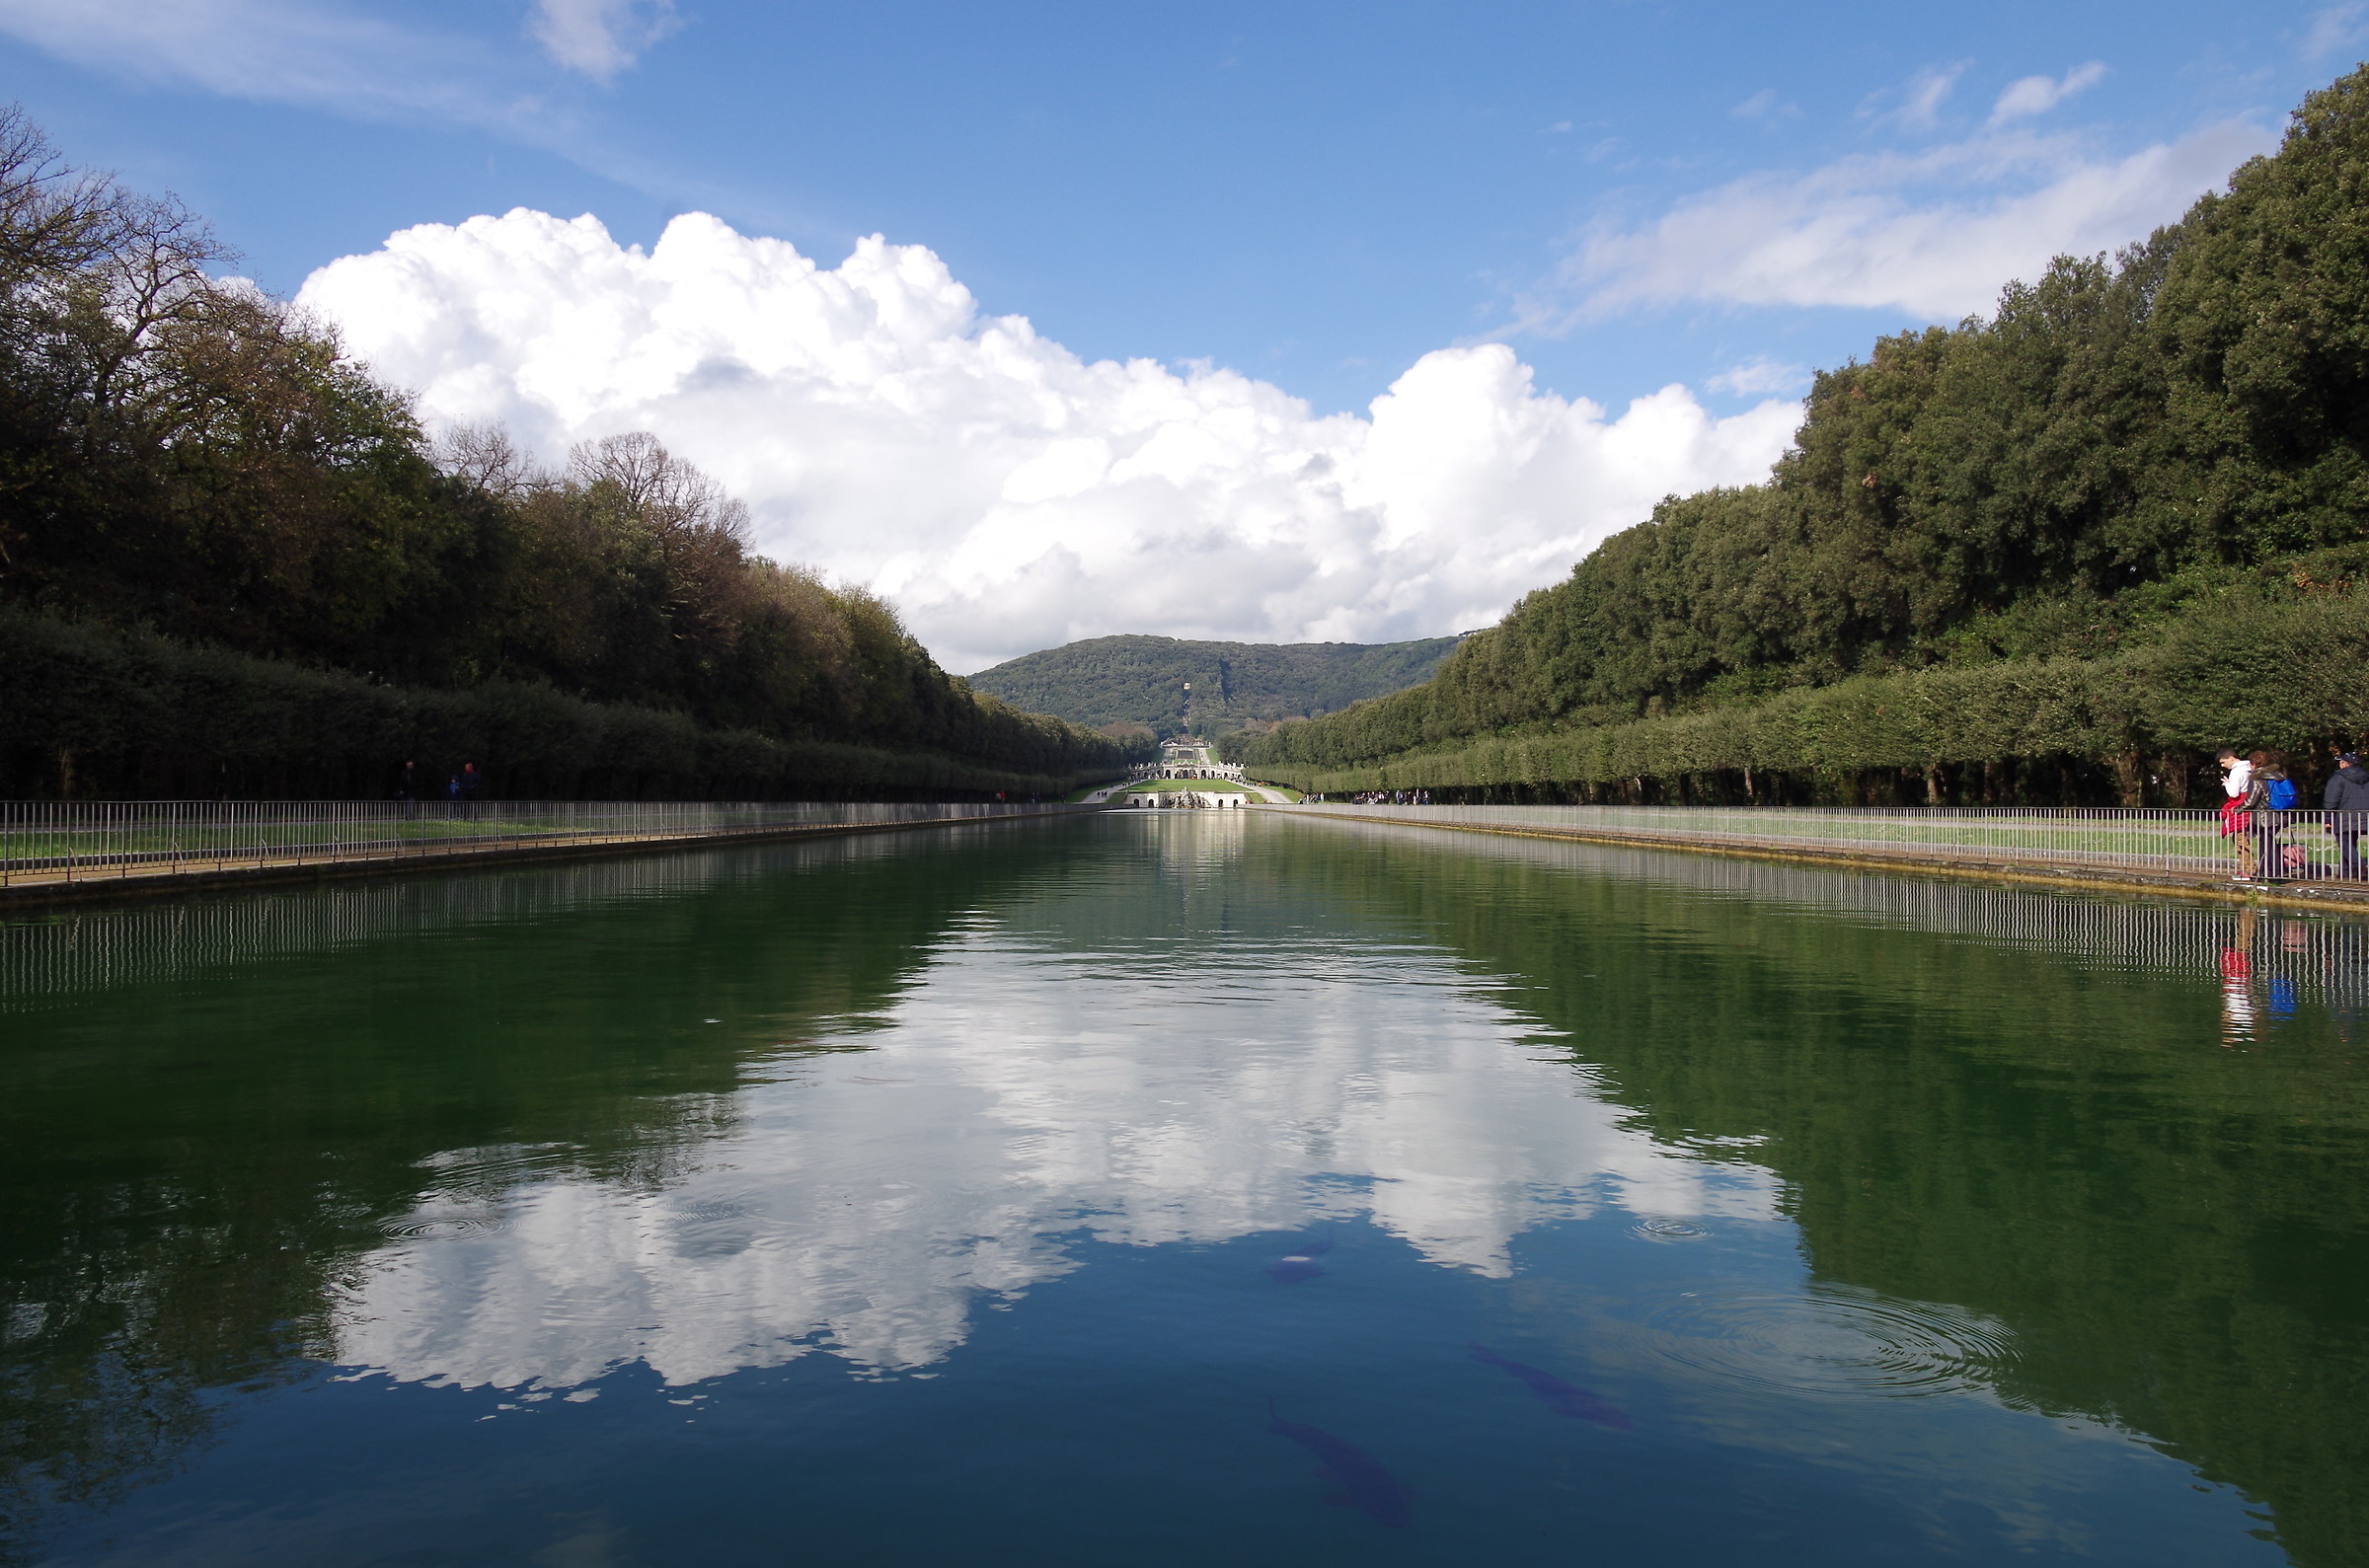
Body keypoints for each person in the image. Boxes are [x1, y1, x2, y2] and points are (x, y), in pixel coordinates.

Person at [2327, 749, 2369, 879]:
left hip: (2344, 816)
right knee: (2351, 842)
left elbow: (2331, 800)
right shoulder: (2366, 777)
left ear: (2344, 764)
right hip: (2363, 815)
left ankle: (2359, 865)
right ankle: (2345, 872)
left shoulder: (2339, 777)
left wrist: (2328, 818)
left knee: (2344, 842)